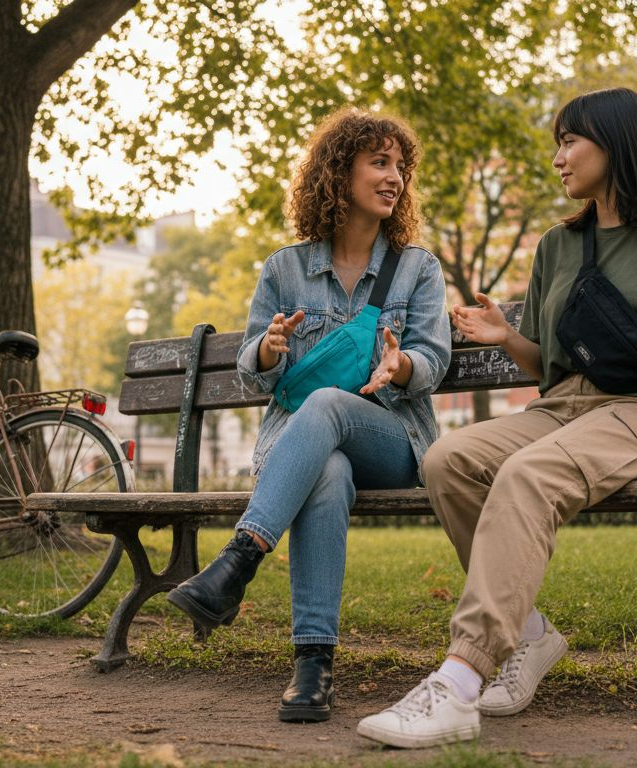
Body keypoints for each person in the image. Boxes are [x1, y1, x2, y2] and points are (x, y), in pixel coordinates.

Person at [356, 87, 637, 748]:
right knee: (446, 459)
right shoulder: (558, 247)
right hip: (563, 409)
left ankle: (460, 680)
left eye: (570, 141)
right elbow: (549, 367)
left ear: (615, 144)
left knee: (527, 474)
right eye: (557, 144)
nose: (559, 158)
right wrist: (506, 334)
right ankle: (527, 633)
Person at [166, 107, 451, 723]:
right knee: (325, 473)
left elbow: (436, 357)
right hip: (307, 448)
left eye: (399, 166)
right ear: (337, 171)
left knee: (327, 407)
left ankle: (238, 560)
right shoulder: (284, 269)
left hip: (394, 438)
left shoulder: (418, 268)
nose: (394, 177)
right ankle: (312, 666)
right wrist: (268, 349)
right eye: (379, 163)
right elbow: (251, 366)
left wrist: (402, 367)